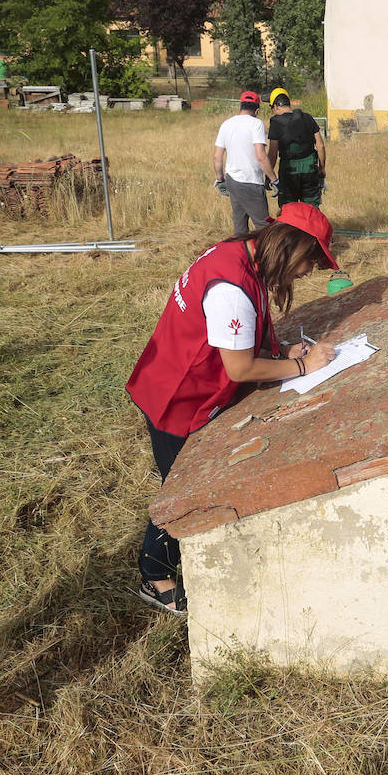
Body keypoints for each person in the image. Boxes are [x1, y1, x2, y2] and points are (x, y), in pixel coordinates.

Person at [126, 204, 339, 615]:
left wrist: (278, 350)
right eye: (311, 259)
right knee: (184, 489)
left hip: (178, 381)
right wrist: (300, 366)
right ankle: (154, 576)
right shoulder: (233, 286)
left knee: (187, 481)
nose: (310, 271)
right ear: (291, 246)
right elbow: (239, 367)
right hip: (179, 398)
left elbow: (236, 337)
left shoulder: (242, 253)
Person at [214, 90, 279, 235]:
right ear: (256, 110)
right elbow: (261, 156)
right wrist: (274, 180)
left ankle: (241, 255)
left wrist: (220, 180)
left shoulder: (226, 124)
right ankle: (267, 257)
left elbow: (217, 157)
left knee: (240, 225)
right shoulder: (256, 124)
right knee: (264, 227)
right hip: (250, 181)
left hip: (232, 180)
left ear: (240, 106)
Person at [266, 87, 325, 209]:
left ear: (276, 106)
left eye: (272, 108)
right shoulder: (307, 117)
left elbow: (273, 153)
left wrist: (268, 175)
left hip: (289, 171)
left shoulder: (276, 123)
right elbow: (320, 145)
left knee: (288, 209)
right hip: (310, 169)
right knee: (311, 209)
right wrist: (322, 168)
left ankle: (291, 228)